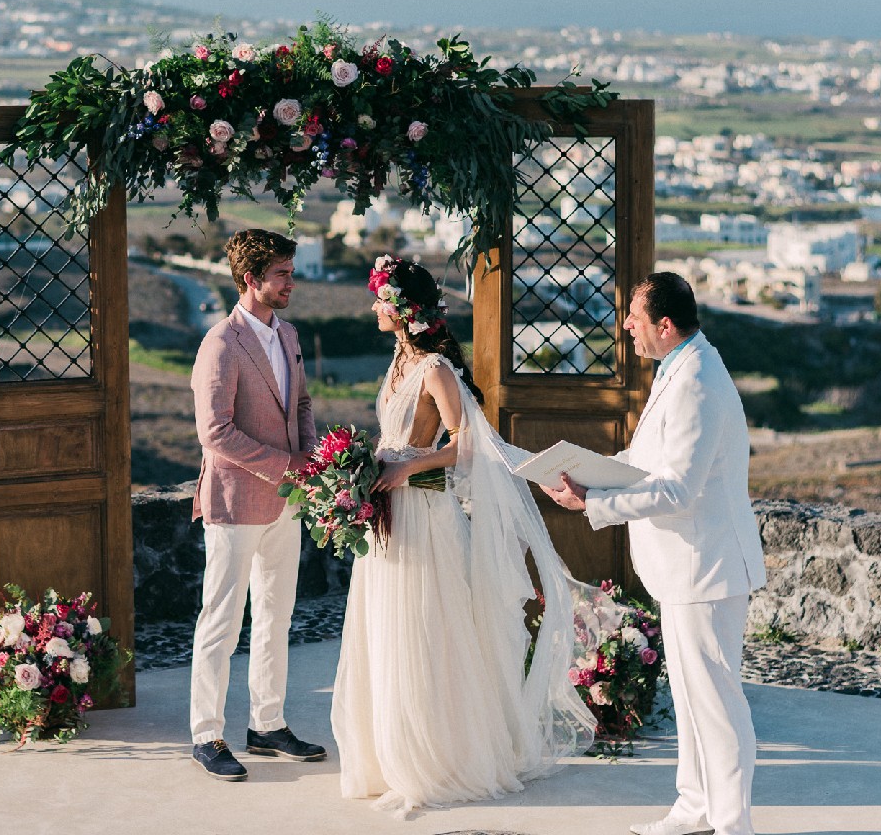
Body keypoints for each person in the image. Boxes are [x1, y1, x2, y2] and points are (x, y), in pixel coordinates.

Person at [332, 255, 597, 815]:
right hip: (389, 518)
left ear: (401, 309)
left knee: (427, 629)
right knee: (387, 629)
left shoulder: (434, 369)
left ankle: (436, 760)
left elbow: (468, 444)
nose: (374, 306)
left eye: (380, 298)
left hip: (426, 515)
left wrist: (407, 465)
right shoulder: (398, 363)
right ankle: (390, 754)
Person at [543, 271, 767, 835]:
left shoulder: (694, 381)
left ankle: (732, 824)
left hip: (705, 567)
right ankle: (694, 807)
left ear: (664, 326)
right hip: (688, 567)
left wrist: (595, 500)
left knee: (716, 703)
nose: (625, 328)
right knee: (693, 702)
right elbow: (651, 462)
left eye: (635, 320)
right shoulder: (681, 366)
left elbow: (677, 490)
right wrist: (589, 472)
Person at [188, 228, 325, 781]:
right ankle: (207, 734)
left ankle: (267, 724)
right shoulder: (219, 344)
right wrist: (287, 465)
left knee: (276, 615)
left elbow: (304, 404)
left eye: (291, 272)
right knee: (221, 620)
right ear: (251, 280)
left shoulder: (288, 334)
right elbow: (214, 432)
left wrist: (314, 459)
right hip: (234, 501)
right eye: (282, 274)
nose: (292, 282)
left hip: (287, 502)